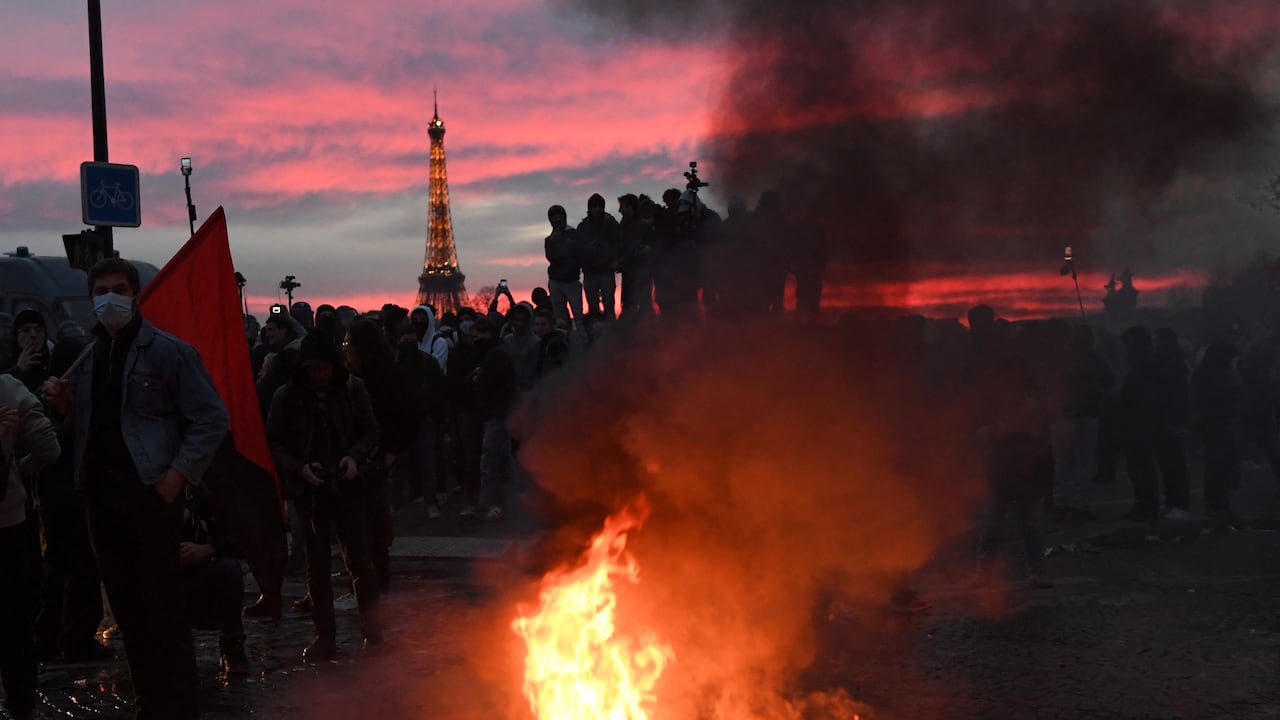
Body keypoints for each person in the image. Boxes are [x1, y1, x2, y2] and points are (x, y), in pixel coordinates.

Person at [44, 257, 230, 719]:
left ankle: (180, 706)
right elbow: (87, 431)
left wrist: (175, 478)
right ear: (91, 298)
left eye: (120, 288)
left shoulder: (170, 353)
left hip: (148, 494)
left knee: (162, 611)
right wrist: (66, 410)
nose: (111, 297)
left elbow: (211, 419)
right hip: (99, 499)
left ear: (136, 294)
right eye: (102, 289)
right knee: (127, 611)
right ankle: (151, 702)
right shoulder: (87, 359)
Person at [266, 331, 380, 662]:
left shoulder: (352, 390)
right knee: (316, 566)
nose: (319, 375)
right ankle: (324, 637)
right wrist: (300, 467)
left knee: (360, 561)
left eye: (325, 368)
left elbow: (371, 431)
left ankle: (374, 636)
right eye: (313, 368)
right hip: (308, 490)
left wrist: (353, 458)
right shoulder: (286, 397)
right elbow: (274, 442)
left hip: (348, 485)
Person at [1, 373, 61, 720]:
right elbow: (49, 448)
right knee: (15, 625)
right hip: (8, 525)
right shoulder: (8, 389)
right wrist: (18, 471)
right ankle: (21, 706)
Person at [178, 483, 250, 678]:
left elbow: (242, 537)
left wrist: (209, 549)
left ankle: (232, 647)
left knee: (229, 568)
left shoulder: (207, 492)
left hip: (200, 580)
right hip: (162, 582)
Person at [578, 193, 621, 320]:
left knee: (609, 305)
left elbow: (618, 242)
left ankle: (611, 333)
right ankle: (595, 333)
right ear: (589, 208)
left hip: (606, 270)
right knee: (592, 307)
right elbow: (578, 247)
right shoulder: (583, 226)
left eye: (599, 206)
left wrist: (613, 259)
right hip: (590, 272)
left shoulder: (611, 223)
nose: (596, 209)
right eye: (594, 206)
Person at [545, 205, 585, 332]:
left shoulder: (574, 234)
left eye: (559, 216)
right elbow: (551, 257)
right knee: (559, 317)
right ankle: (563, 342)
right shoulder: (549, 240)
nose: (557, 220)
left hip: (571, 281)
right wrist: (555, 241)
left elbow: (577, 255)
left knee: (578, 316)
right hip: (556, 281)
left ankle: (582, 342)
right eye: (554, 217)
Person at [3, 309, 50, 392]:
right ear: (16, 336)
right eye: (26, 330)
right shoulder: (4, 363)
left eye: (39, 330)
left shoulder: (53, 363)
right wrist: (18, 370)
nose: (33, 335)